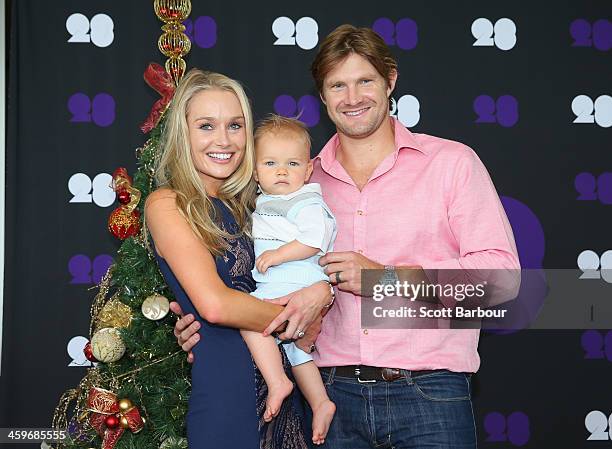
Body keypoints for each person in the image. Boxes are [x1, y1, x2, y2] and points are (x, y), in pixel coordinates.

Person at [173, 25, 521, 448]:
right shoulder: (296, 179)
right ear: (322, 95)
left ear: (390, 80)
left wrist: (385, 278)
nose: (352, 98)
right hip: (328, 397)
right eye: (338, 85)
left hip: (431, 395)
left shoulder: (450, 163)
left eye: (365, 82)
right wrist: (199, 328)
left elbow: (502, 282)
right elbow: (247, 277)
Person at [146, 69, 332, 449]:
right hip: (229, 397)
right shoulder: (168, 203)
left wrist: (319, 295)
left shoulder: (253, 206)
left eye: (235, 125)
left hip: (286, 388)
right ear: (183, 133)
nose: (223, 140)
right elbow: (215, 306)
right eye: (206, 126)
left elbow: (305, 267)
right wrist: (297, 319)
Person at [241, 115, 337, 444]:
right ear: (255, 172)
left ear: (309, 170)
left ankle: (277, 380)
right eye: (271, 163)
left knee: (245, 314)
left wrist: (276, 256)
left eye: (292, 163)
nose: (282, 171)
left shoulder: (305, 200)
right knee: (298, 350)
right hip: (282, 283)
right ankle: (321, 402)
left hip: (295, 279)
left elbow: (314, 239)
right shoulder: (264, 201)